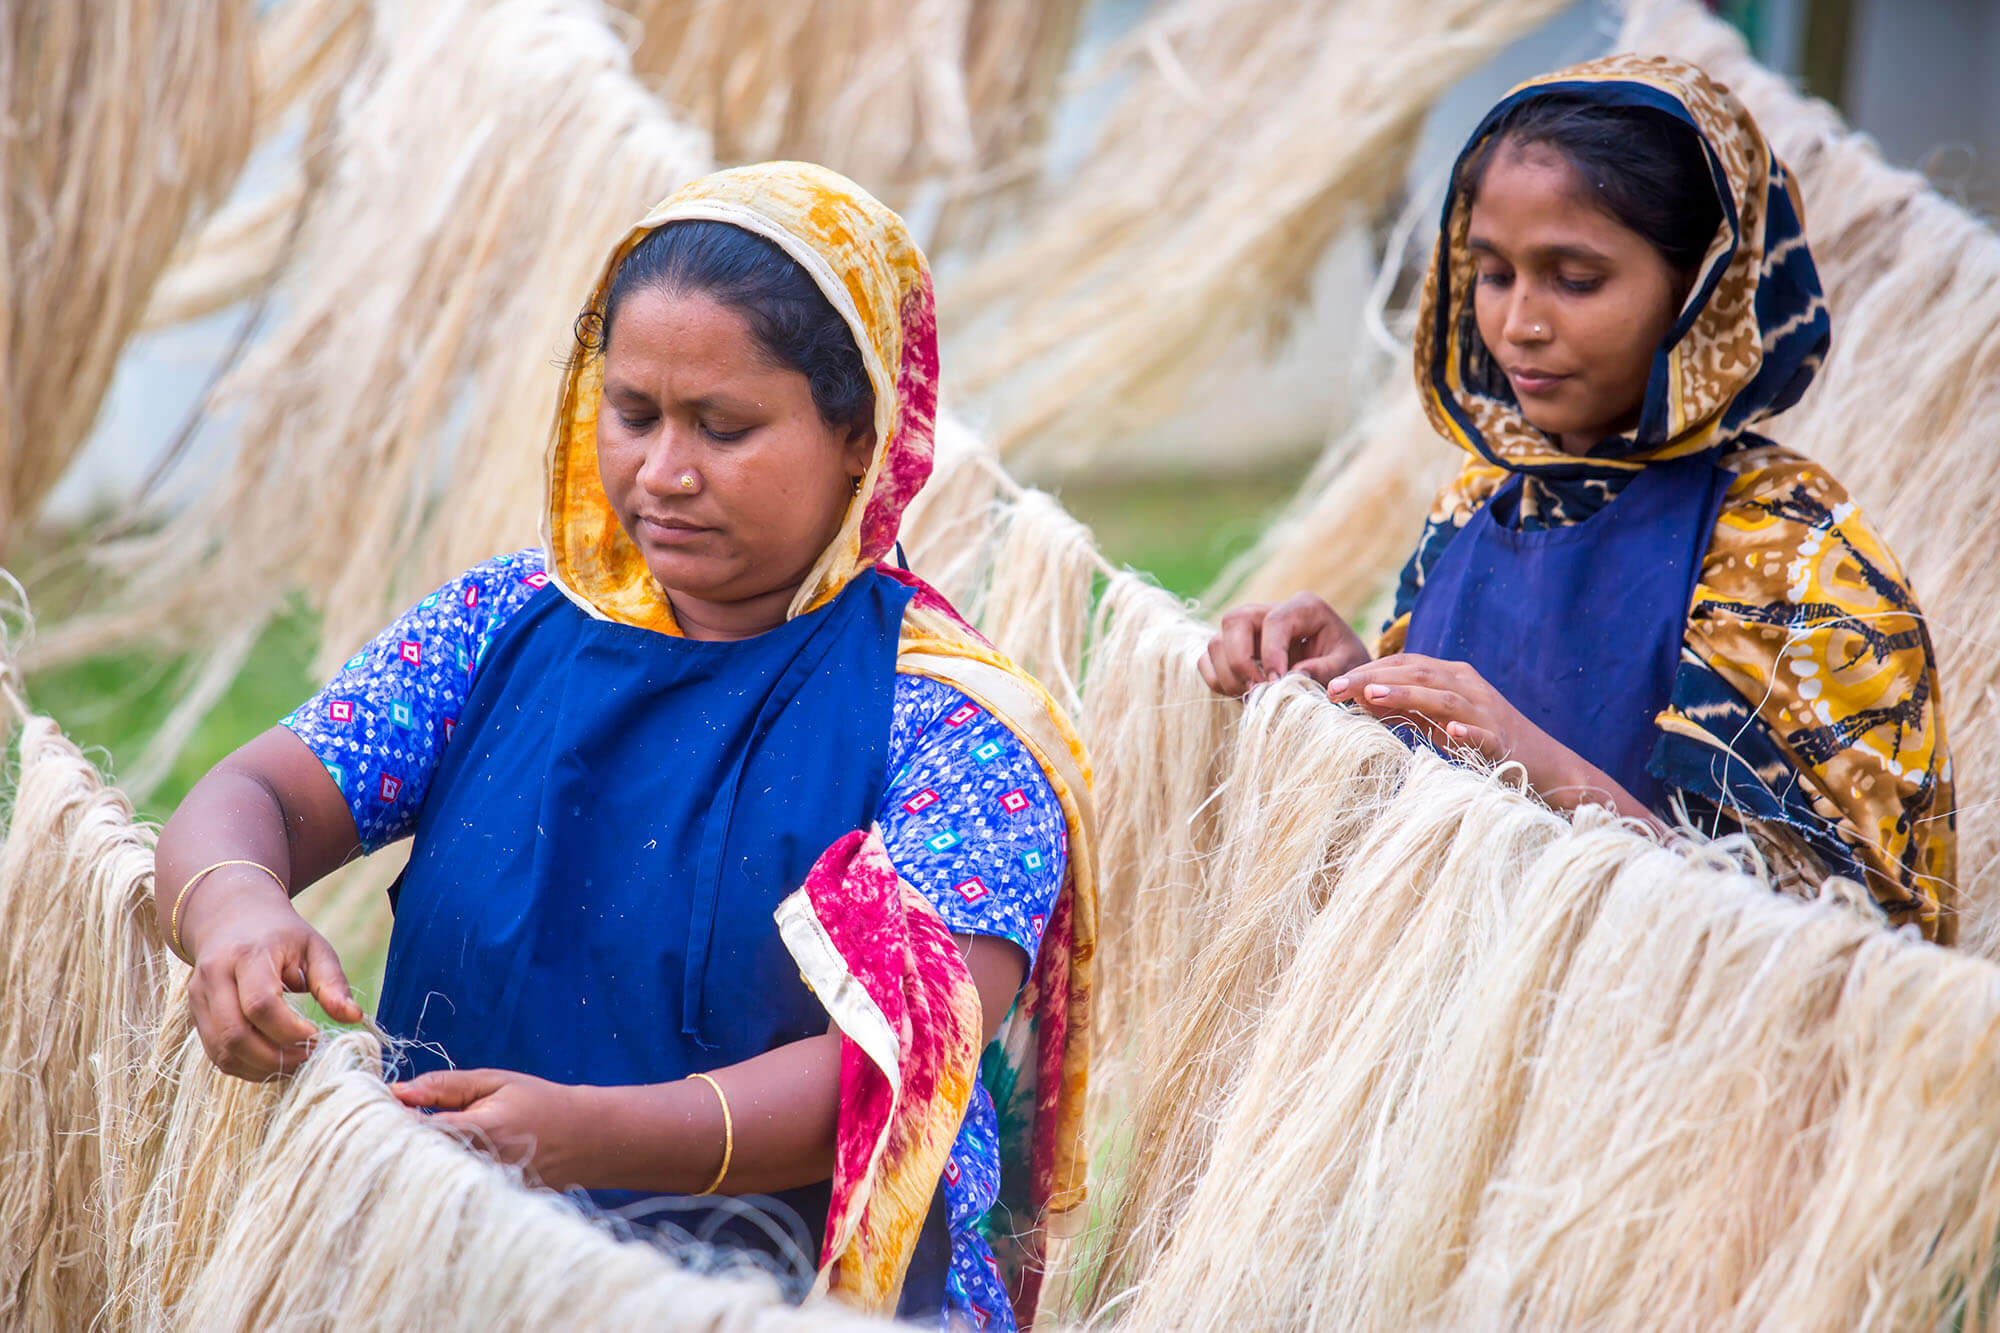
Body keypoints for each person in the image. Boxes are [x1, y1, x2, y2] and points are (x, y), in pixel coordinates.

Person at [151, 163, 1095, 1330]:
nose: (663, 473)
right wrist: (236, 905)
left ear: (862, 434)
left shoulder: (952, 727)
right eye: (633, 414)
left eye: (724, 427)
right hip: (446, 1273)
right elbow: (257, 791)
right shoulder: (502, 628)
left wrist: (591, 1137)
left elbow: (899, 1068)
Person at [1200, 55, 1956, 941]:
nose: (1520, 321)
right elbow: (1437, 795)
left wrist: (1537, 765)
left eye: (1576, 278)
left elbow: (1846, 955)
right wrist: (1354, 684)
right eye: (1493, 273)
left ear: (1701, 290)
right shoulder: (1475, 509)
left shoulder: (1792, 548)